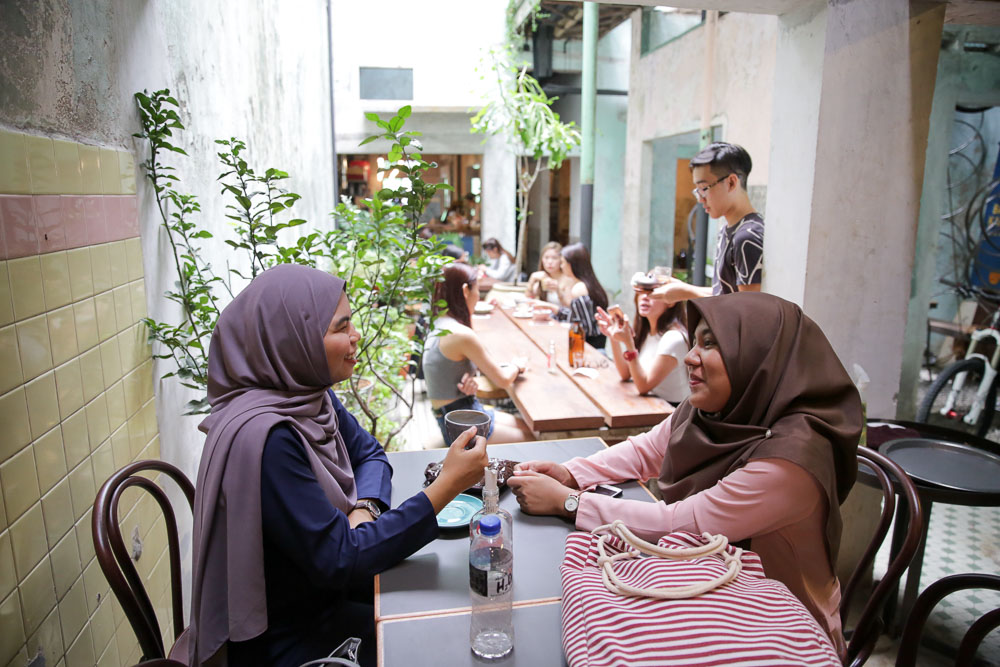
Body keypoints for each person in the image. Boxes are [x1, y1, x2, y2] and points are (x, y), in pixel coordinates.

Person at [507, 292, 861, 656]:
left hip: (777, 635)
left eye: (710, 344)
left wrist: (568, 502)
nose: (690, 357)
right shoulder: (715, 409)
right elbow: (647, 449)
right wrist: (570, 472)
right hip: (708, 595)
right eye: (694, 342)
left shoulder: (792, 460)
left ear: (760, 356)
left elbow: (680, 522)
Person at [188, 264, 488, 667]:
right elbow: (341, 560)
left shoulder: (307, 397)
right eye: (340, 327)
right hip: (294, 637)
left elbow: (370, 455)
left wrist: (363, 510)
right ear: (293, 341)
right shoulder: (267, 439)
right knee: (442, 636)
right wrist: (445, 487)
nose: (355, 335)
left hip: (329, 597)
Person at [424, 262, 534, 445]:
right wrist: (517, 366)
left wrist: (470, 378)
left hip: (459, 412)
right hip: (460, 426)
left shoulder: (439, 322)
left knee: (528, 427)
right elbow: (503, 380)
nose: (478, 297)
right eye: (478, 291)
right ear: (465, 290)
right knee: (534, 440)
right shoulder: (460, 334)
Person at [653, 142, 764, 303]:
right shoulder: (729, 229)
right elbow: (725, 292)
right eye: (697, 190)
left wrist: (686, 292)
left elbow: (747, 308)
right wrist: (682, 289)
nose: (700, 198)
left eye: (704, 188)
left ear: (731, 182)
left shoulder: (747, 237)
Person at [595, 275, 689, 404]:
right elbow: (626, 374)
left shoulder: (673, 338)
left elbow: (643, 386)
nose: (645, 297)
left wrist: (629, 343)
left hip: (670, 413)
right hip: (650, 406)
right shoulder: (647, 332)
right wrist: (613, 336)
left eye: (652, 292)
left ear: (671, 300)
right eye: (641, 291)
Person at [534, 243, 609, 349]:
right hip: (593, 344)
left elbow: (585, 328)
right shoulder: (590, 284)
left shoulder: (579, 289)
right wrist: (550, 307)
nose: (561, 266)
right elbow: (577, 315)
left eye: (563, 263)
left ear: (571, 265)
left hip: (588, 347)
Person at [525, 241, 567, 305]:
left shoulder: (567, 279)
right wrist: (532, 279)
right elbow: (528, 300)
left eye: (554, 258)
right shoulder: (542, 278)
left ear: (561, 260)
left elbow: (570, 306)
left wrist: (558, 290)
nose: (550, 262)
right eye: (546, 258)